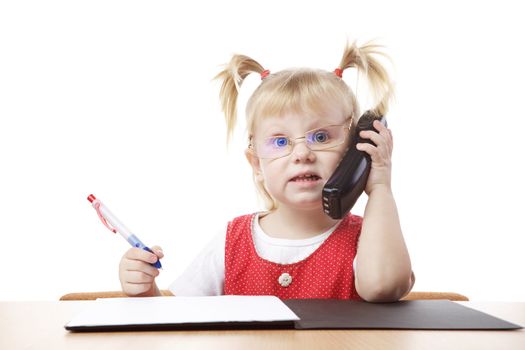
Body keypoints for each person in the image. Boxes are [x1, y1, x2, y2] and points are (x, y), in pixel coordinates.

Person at [118, 40, 415, 302]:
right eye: (281, 141)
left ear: (354, 151)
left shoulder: (370, 237)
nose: (302, 154)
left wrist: (379, 189)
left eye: (321, 137)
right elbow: (180, 315)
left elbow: (383, 287)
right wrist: (147, 292)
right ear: (257, 164)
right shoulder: (233, 240)